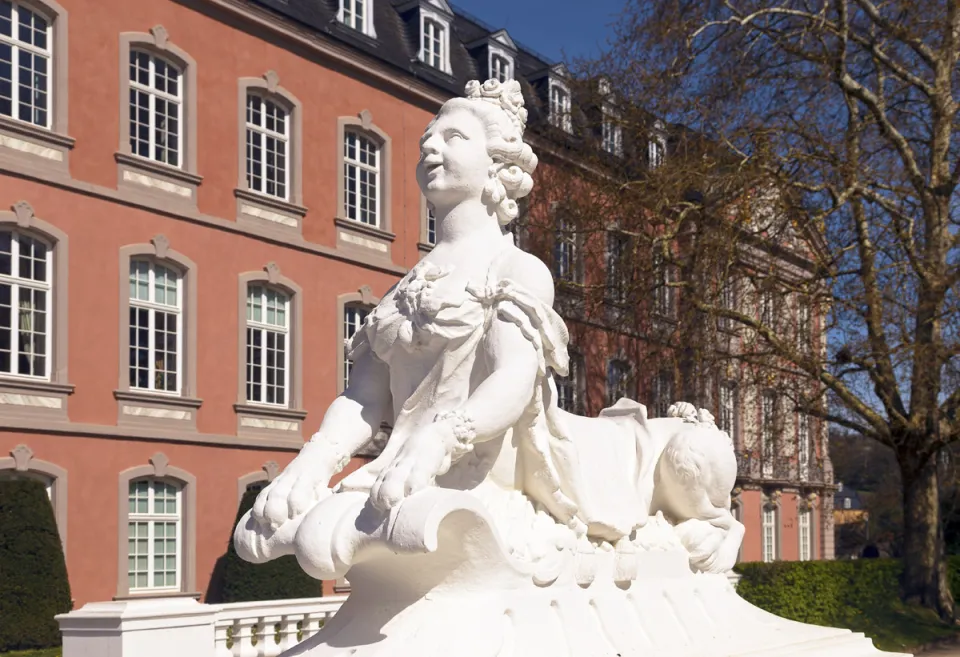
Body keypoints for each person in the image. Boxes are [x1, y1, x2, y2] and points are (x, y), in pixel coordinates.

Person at [235, 79, 743, 575]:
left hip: (487, 465)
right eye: (426, 139)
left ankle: (719, 525)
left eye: (453, 136)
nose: (430, 144)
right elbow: (364, 398)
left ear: (496, 166)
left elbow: (513, 380)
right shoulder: (400, 291)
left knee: (690, 454)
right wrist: (312, 464)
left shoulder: (515, 270)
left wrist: (437, 442)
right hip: (409, 464)